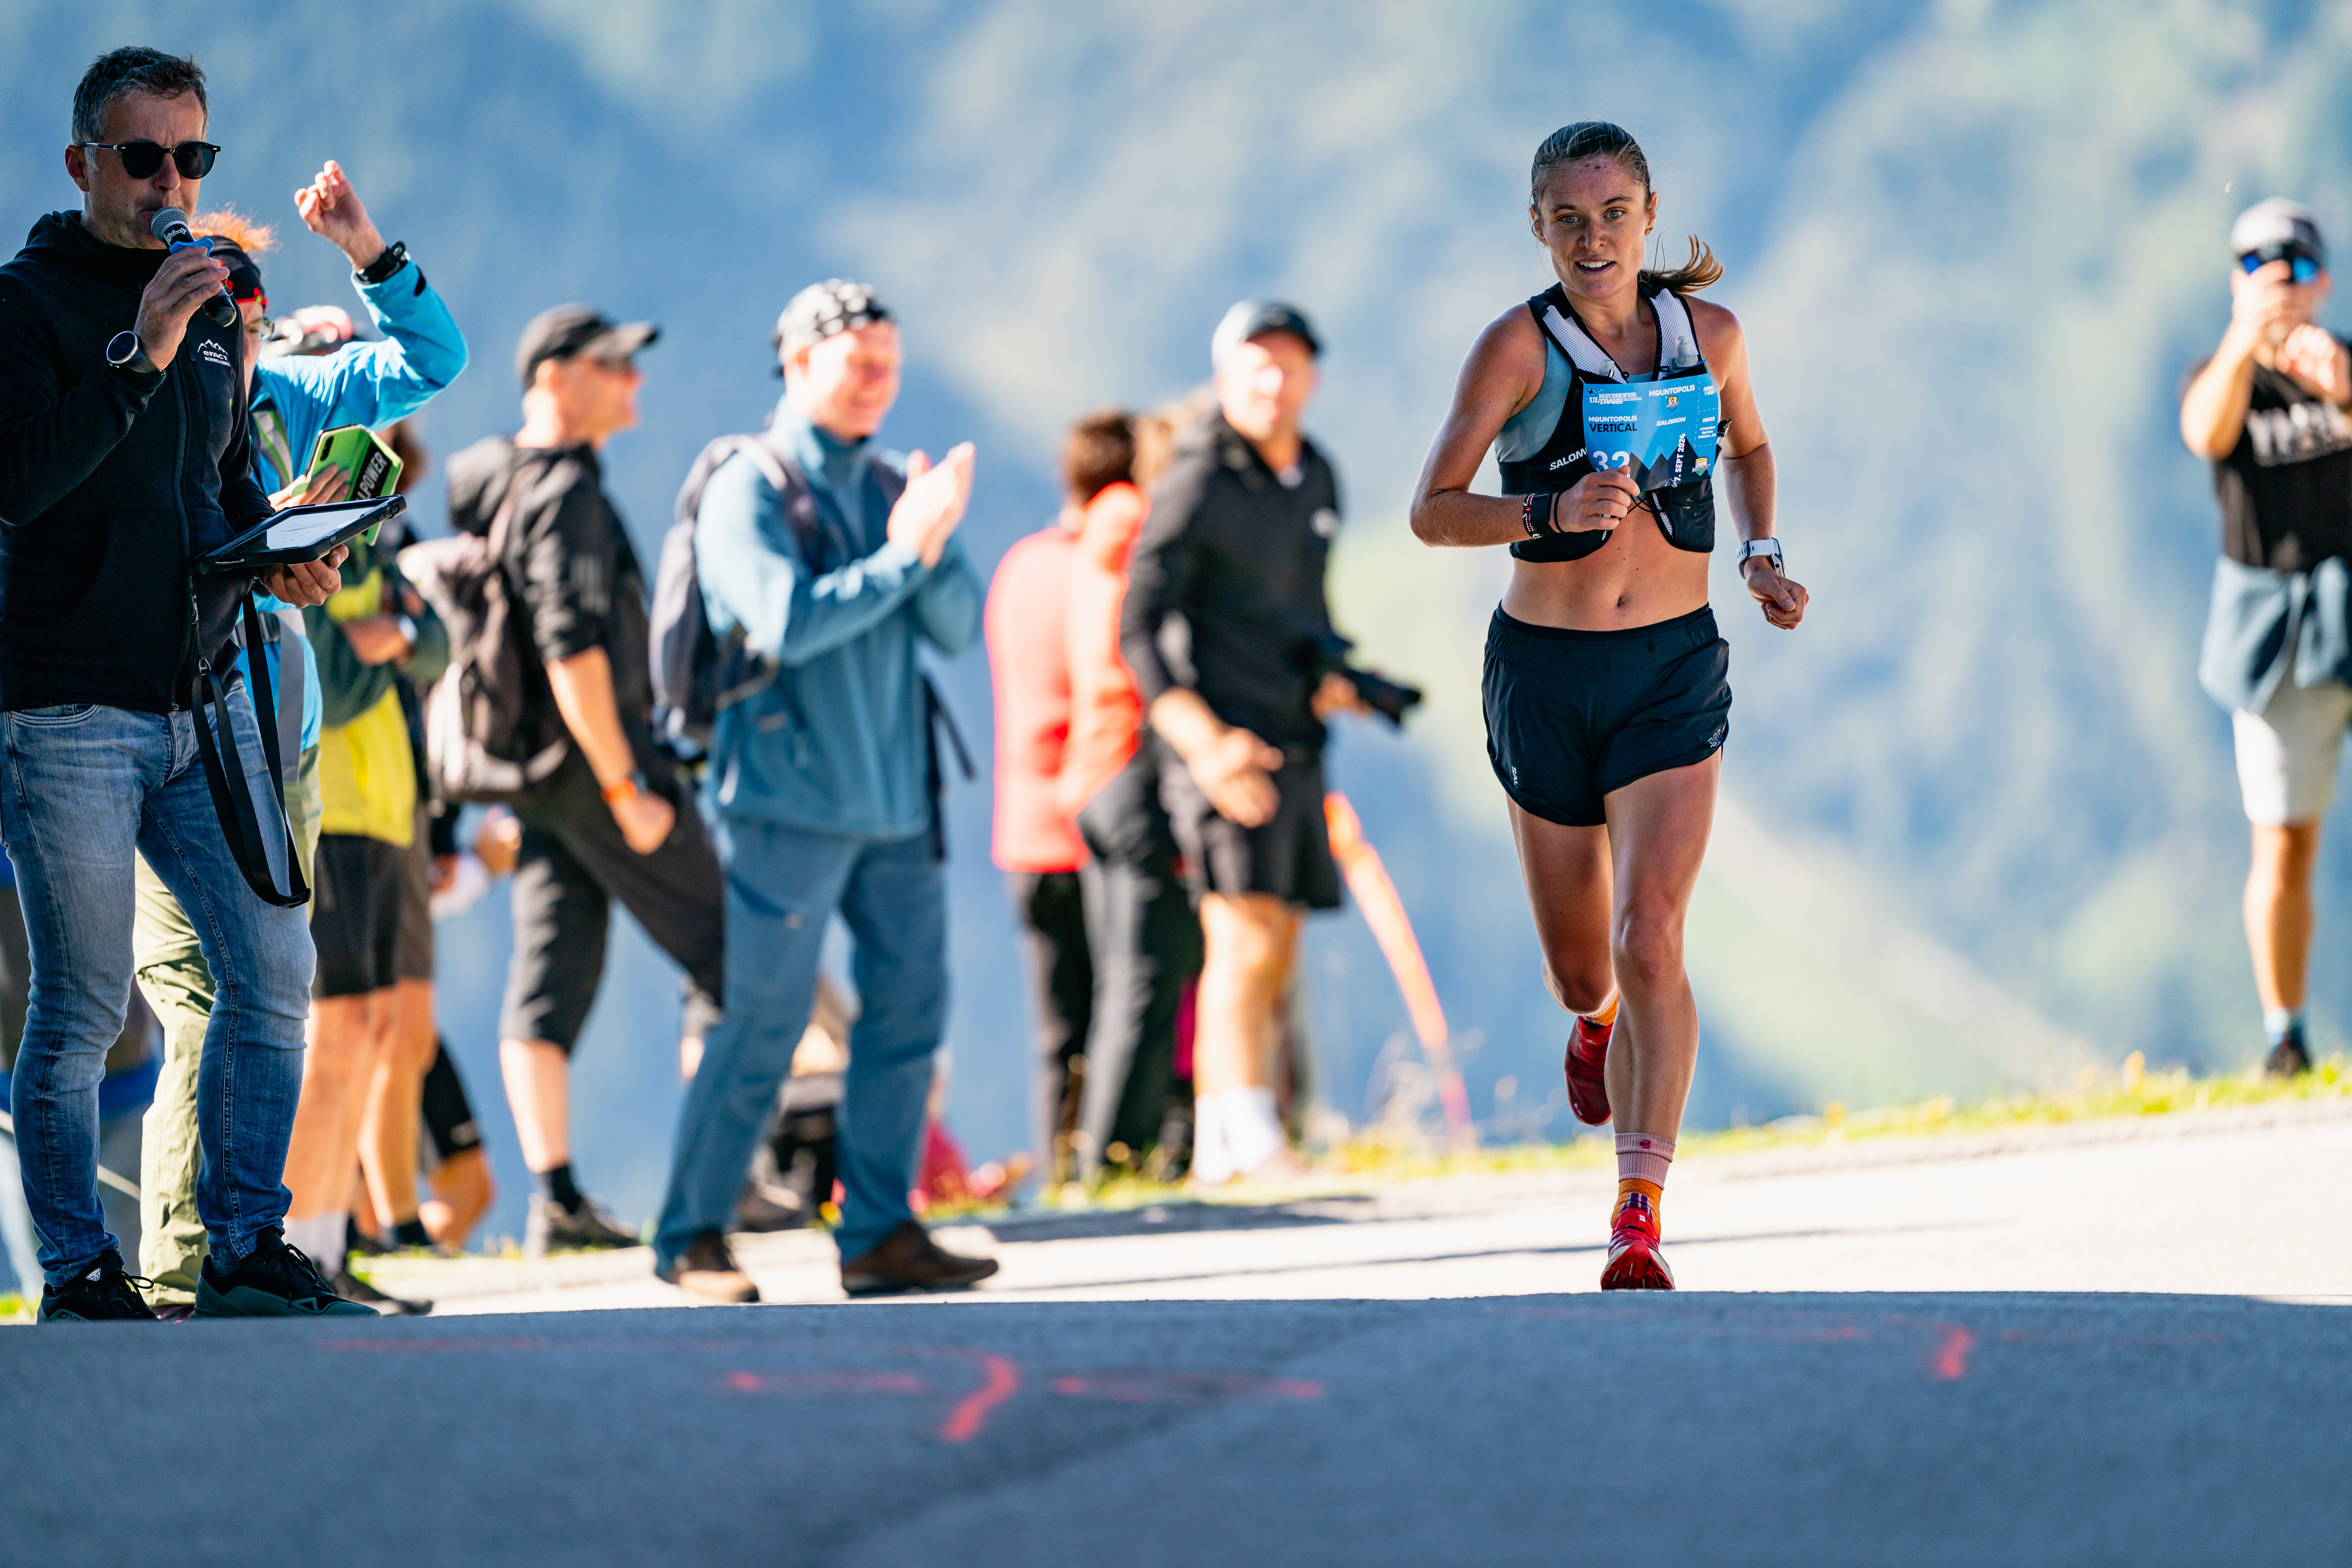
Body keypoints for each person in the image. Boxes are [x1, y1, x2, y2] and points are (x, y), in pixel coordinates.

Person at [1407, 121, 1806, 1290]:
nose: (1594, 238)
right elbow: (1433, 509)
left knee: (1652, 940)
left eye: (1614, 213)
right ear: (1537, 225)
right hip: (1547, 676)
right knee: (1588, 972)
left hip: (1673, 671)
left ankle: (1639, 1211)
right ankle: (1592, 1029)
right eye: (1569, 219)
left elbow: (1753, 445)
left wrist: (1763, 555)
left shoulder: (1711, 335)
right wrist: (1545, 514)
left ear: (1648, 212)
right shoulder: (1515, 352)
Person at [0, 46, 364, 1319]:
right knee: (88, 1004)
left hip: (204, 698)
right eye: (146, 156)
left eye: (193, 159)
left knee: (273, 967)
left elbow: (217, 489)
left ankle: (245, 1247)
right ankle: (80, 1268)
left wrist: (279, 558)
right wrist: (137, 354)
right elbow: (16, 488)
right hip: (65, 712)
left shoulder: (215, 310)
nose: (172, 183)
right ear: (83, 163)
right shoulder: (27, 305)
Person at [132, 166, 464, 1314]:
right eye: (227, 323)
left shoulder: (293, 397)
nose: (244, 345)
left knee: (273, 996)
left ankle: (257, 1250)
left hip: (286, 741)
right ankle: (183, 1267)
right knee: (196, 994)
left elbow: (433, 364)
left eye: (256, 322)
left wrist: (368, 248)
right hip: (178, 729)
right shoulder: (144, 408)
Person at [653, 278, 995, 1303]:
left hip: (898, 801)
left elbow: (955, 627)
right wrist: (907, 552)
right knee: (761, 1019)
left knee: (910, 1013)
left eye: (888, 365)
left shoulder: (897, 480)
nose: (876, 383)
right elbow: (785, 625)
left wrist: (927, 542)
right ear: (797, 364)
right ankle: (693, 1236)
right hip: (784, 799)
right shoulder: (746, 487)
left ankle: (881, 1230)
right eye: (857, 364)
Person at [444, 305, 728, 1258]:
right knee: (729, 953)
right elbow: (572, 649)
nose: (632, 382)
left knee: (548, 974)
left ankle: (557, 1195)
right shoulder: (564, 488)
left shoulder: (498, 484)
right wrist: (625, 786)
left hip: (529, 774)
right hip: (594, 762)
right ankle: (721, 1177)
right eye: (613, 365)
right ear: (556, 378)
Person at [1120, 300, 1371, 1186]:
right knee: (1241, 935)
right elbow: (1139, 625)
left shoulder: (1317, 477)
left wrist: (1341, 674)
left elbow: (1305, 612)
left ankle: (1239, 1136)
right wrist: (1204, 741)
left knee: (1280, 937)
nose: (1273, 381)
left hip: (1295, 733)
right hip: (1221, 741)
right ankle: (1243, 1139)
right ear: (1224, 380)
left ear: (1313, 379)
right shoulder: (1196, 478)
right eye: (1255, 366)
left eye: (1289, 365)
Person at [2181, 199, 2352, 1078]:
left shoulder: (2346, 366)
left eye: (2291, 262)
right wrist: (2249, 345)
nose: (2275, 277)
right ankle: (2285, 1031)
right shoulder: (2220, 377)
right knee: (2284, 835)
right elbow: (2206, 433)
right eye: (2254, 263)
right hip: (2273, 634)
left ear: (2322, 277)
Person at [1053, 411, 1200, 1180]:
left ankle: (1104, 1156)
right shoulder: (1129, 517)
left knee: (1126, 975)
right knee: (1148, 975)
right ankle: (1115, 1157)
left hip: (1092, 772)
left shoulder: (1096, 525)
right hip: (1129, 767)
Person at [985, 418, 1098, 1187]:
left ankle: (1062, 1169)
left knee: (1059, 1024)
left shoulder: (1023, 563)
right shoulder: (1099, 570)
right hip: (1088, 820)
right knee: (1122, 1006)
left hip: (1022, 827)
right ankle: (1106, 1160)